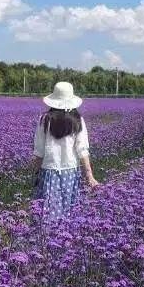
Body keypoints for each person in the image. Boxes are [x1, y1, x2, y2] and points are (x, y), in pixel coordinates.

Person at [31, 80, 99, 221]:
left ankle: (45, 241)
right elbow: (82, 150)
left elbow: (39, 151)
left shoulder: (44, 119)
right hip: (71, 172)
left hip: (49, 172)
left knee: (48, 214)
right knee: (70, 213)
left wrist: (35, 173)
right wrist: (89, 176)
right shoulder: (78, 120)